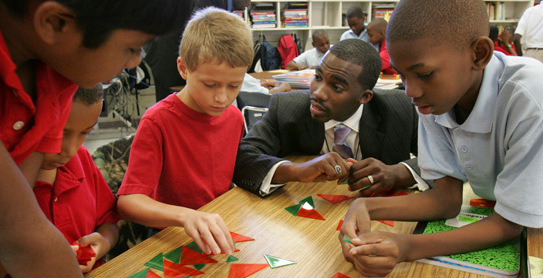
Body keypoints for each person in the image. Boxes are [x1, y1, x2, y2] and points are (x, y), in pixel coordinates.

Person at [0, 0, 189, 276]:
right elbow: (25, 240)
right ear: (55, 23)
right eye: (131, 47)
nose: (136, 61)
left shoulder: (59, 68)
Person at [340, 0, 543, 276]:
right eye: (402, 75)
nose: (411, 91)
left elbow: (509, 224)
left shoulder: (529, 95)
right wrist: (364, 205)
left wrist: (407, 246)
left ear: (479, 54)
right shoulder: (436, 97)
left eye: (424, 74)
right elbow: (445, 199)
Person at [117, 7, 252, 257]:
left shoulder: (233, 117)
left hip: (218, 227)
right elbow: (128, 203)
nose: (222, 98)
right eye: (210, 85)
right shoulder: (158, 121)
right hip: (169, 233)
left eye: (234, 85)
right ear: (183, 68)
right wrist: (186, 216)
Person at [0, 86, 120, 276]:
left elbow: (109, 222)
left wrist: (103, 242)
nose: (70, 150)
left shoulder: (81, 159)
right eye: (59, 132)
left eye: (85, 132)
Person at [233, 39, 430, 198]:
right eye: (318, 77)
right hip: (306, 216)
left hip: (379, 216)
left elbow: (444, 160)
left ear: (365, 97)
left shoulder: (401, 109)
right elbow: (243, 157)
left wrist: (398, 172)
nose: (318, 93)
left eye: (336, 87)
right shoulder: (286, 108)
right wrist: (297, 170)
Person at [145, 0, 252, 102]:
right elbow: (199, 38)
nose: (250, 2)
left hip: (173, 54)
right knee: (174, 110)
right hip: (168, 58)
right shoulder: (207, 4)